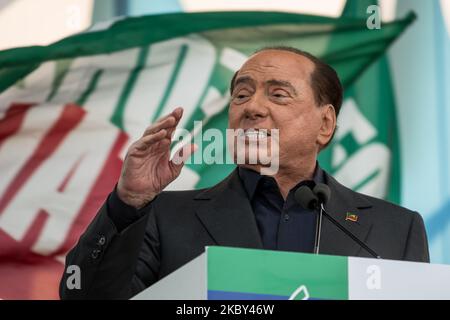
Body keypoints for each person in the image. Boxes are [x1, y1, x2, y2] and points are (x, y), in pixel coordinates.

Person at [60, 47, 429, 299]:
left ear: (325, 123)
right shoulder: (164, 217)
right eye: (241, 95)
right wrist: (128, 204)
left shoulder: (394, 231)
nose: (252, 107)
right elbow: (84, 296)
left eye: (278, 94)